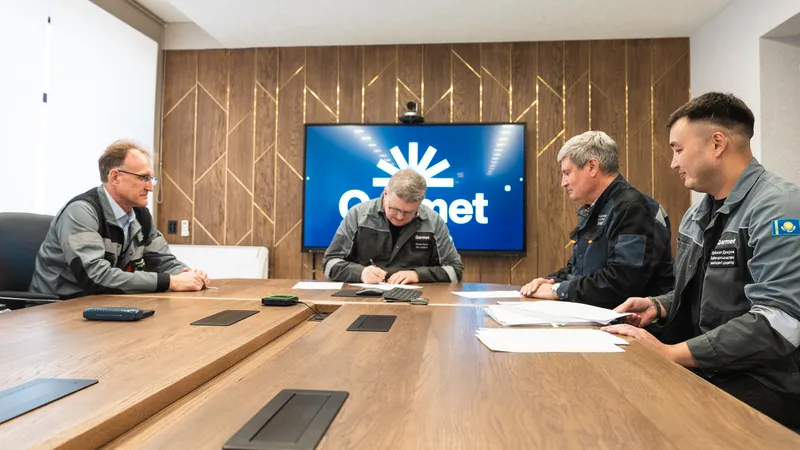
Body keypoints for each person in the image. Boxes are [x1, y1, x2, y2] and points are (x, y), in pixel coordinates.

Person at [604, 92, 800, 429]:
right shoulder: (697, 215)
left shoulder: (779, 208)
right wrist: (659, 305)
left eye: (678, 150)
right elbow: (706, 295)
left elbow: (780, 321)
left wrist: (672, 353)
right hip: (709, 365)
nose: (673, 163)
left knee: (657, 421)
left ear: (717, 144)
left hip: (768, 379)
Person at [29, 140, 210, 298]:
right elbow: (95, 276)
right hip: (57, 308)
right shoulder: (81, 212)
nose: (150, 187)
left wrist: (189, 275)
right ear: (115, 177)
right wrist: (171, 281)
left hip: (104, 304)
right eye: (144, 178)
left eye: (151, 179)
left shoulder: (140, 215)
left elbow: (163, 261)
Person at [520, 131, 674, 309]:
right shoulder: (596, 208)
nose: (563, 182)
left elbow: (623, 282)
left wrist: (558, 290)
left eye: (567, 173)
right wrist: (551, 281)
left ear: (592, 166)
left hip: (631, 321)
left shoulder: (632, 208)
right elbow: (579, 269)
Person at [323, 169, 463, 284]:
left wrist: (418, 275)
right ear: (385, 193)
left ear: (419, 204)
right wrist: (360, 273)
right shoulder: (358, 215)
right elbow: (329, 264)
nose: (400, 217)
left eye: (409, 212)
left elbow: (455, 271)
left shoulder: (433, 222)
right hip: (363, 297)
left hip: (417, 301)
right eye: (394, 209)